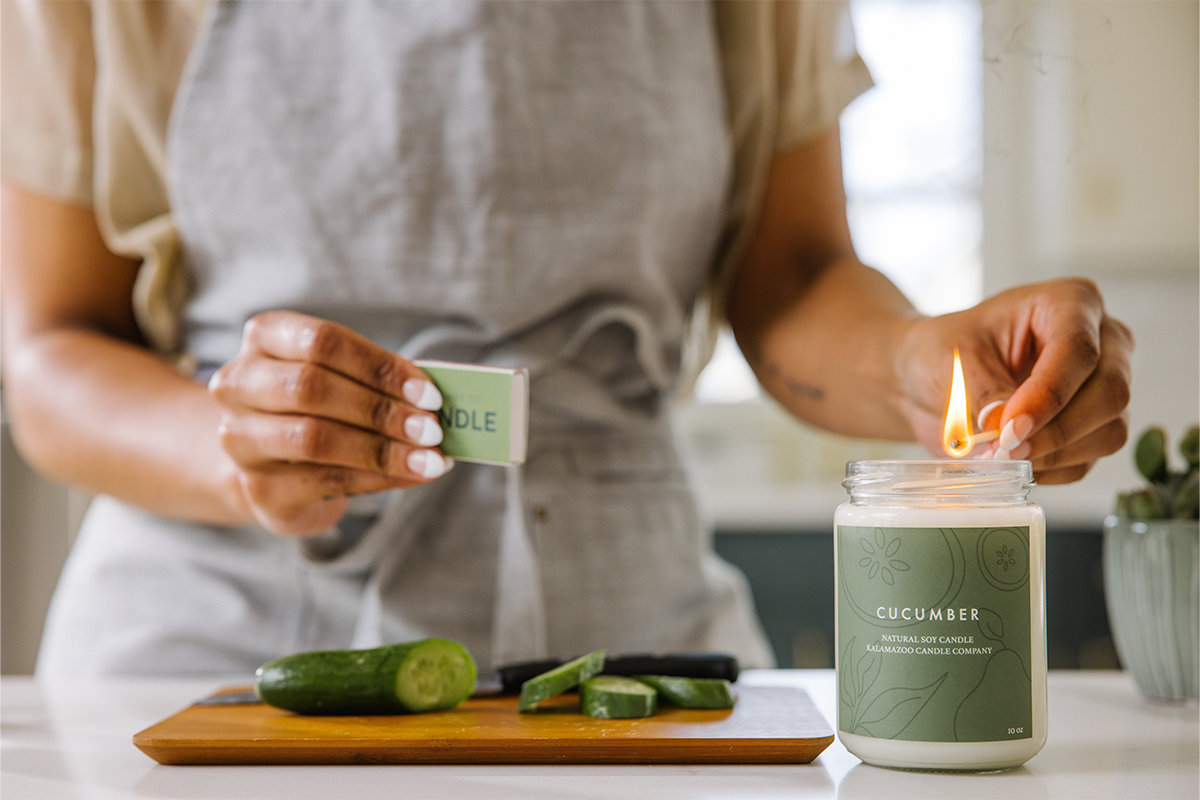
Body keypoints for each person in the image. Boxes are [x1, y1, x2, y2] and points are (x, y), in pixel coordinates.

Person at [1, 0, 1132, 677]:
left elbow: (790, 273)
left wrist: (916, 359)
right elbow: (49, 352)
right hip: (217, 650)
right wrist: (237, 446)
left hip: (631, 646)